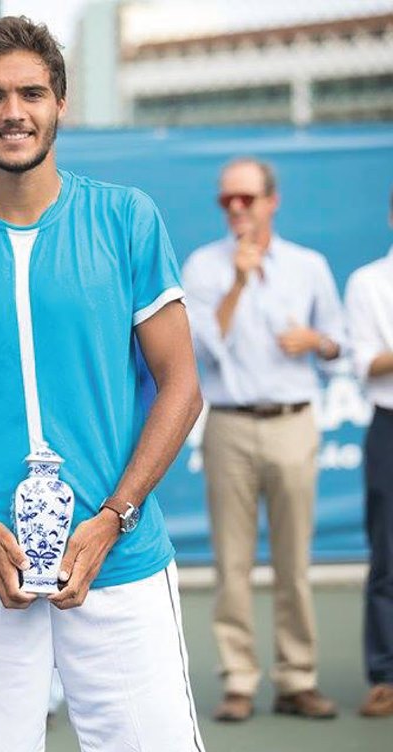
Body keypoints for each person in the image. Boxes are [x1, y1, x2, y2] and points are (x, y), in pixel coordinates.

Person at [0, 16, 205, 752]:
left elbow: (181, 383)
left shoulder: (125, 217)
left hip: (117, 559)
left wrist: (115, 516)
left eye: (30, 93)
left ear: (60, 101)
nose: (13, 112)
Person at [182, 157, 346, 722]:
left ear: (272, 201)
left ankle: (297, 678)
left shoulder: (308, 265)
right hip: (229, 424)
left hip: (293, 421)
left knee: (293, 561)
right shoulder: (204, 266)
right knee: (231, 562)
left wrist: (316, 341)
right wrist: (238, 281)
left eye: (246, 198)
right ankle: (239, 679)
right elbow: (201, 348)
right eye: (226, 199)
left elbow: (339, 343)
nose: (236, 208)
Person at [344, 192, 393, 718]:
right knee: (389, 552)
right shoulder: (369, 283)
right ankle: (386, 674)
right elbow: (367, 362)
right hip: (390, 425)